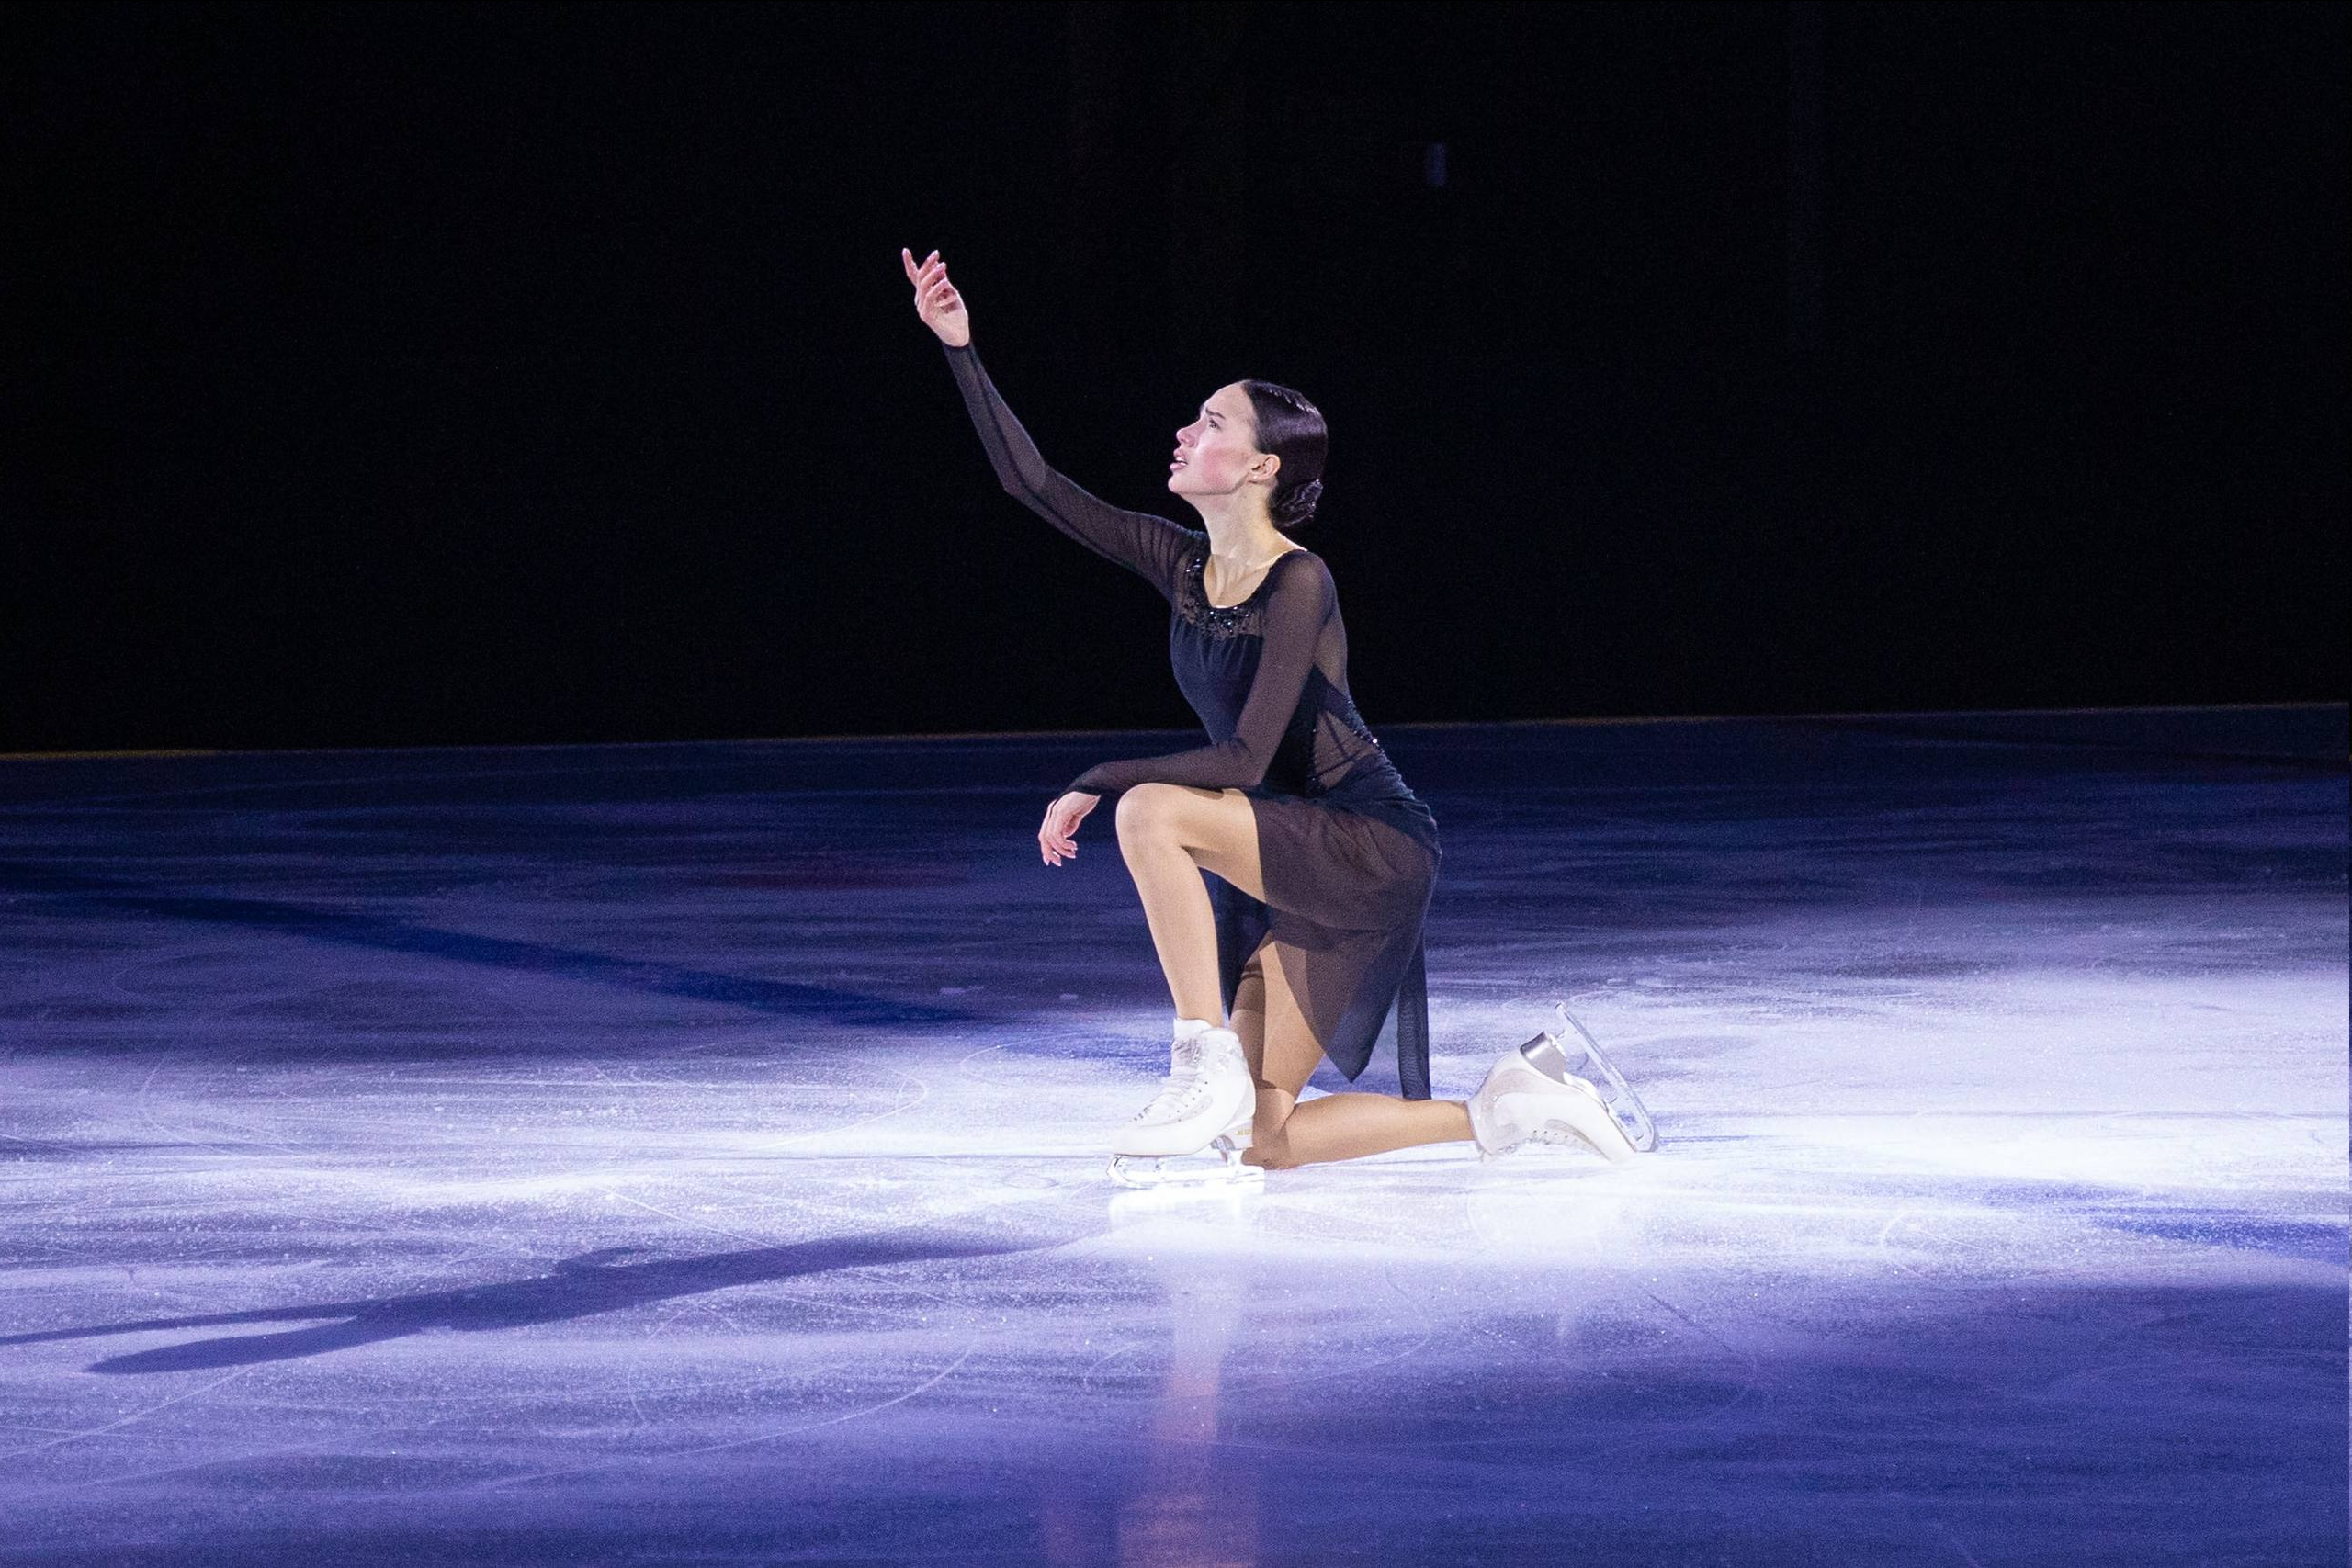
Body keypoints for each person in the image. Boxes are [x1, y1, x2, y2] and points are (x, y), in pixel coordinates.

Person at [900, 247, 1644, 1181]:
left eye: (1210, 422)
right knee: (1263, 1137)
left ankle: (1197, 1059)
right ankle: (1510, 1107)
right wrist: (959, 347)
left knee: (1147, 811)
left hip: (1368, 847)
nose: (1184, 432)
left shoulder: (1300, 580)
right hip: (1287, 853)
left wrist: (1099, 778)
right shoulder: (1179, 561)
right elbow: (1032, 483)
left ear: (1260, 465)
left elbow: (1247, 758)